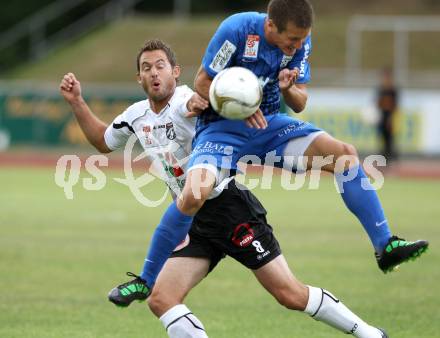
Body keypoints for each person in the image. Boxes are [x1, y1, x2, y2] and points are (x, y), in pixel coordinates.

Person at [60, 39, 389, 338]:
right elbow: (103, 141)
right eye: (146, 68)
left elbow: (211, 103)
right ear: (139, 79)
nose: (153, 73)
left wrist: (204, 104)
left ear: (175, 72)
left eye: (160, 65)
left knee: (289, 294)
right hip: (192, 221)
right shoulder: (136, 114)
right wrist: (77, 102)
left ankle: (369, 334)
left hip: (231, 210)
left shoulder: (192, 99)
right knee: (162, 299)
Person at [139, 0, 428, 296]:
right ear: (270, 26)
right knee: (194, 194)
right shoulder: (237, 29)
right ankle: (146, 278)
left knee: (344, 154)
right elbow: (202, 82)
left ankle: (384, 245)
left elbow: (300, 102)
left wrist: (289, 87)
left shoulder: (300, 40)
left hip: (269, 126)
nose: (298, 45)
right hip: (221, 128)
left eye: (302, 39)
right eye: (292, 39)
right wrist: (240, 106)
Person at [377, 68, 399, 161]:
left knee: (390, 137)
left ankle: (390, 156)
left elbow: (395, 104)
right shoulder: (381, 89)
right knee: (382, 135)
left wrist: (391, 118)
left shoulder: (392, 89)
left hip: (390, 116)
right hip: (382, 115)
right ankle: (384, 155)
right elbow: (378, 102)